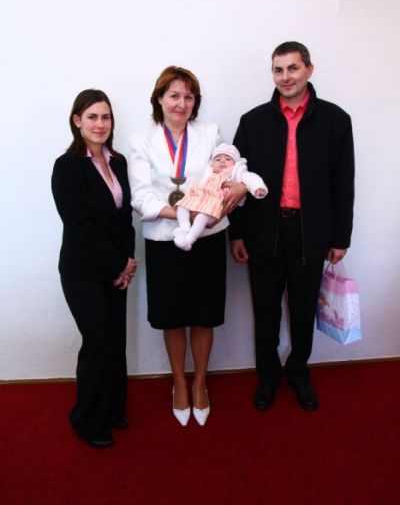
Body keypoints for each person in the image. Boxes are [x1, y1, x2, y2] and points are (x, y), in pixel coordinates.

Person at [229, 42, 355, 411]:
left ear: (309, 70)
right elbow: (234, 180)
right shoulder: (252, 121)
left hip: (311, 232)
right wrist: (237, 232)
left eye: (293, 68)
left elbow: (343, 183)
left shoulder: (336, 120)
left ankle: (299, 373)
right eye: (278, 69)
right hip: (263, 231)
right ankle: (267, 377)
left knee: (302, 309)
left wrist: (341, 237)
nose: (285, 77)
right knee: (265, 310)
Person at [129, 66, 245, 426]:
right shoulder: (141, 140)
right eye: (174, 95)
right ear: (159, 99)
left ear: (196, 102)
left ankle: (200, 382)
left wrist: (236, 189)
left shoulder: (210, 133)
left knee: (205, 314)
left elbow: (227, 173)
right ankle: (179, 382)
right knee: (172, 315)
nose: (181, 103)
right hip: (164, 239)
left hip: (207, 236)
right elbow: (140, 195)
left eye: (189, 97)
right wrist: (178, 210)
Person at [51, 89, 137, 448]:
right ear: (77, 121)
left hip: (116, 270)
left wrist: (127, 264)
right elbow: (79, 229)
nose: (100, 124)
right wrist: (119, 262)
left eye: (105, 117)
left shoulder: (118, 162)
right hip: (82, 272)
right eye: (92, 117)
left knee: (116, 342)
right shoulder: (67, 167)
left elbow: (125, 218)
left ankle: (113, 410)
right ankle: (87, 421)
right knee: (98, 345)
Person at [173, 143, 268, 251]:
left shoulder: (236, 173)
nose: (222, 161)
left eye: (228, 159)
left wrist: (258, 187)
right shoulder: (209, 172)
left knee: (202, 216)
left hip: (216, 202)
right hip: (201, 196)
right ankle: (184, 227)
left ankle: (189, 239)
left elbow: (251, 177)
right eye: (218, 159)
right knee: (182, 204)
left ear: (236, 163)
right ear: (212, 163)